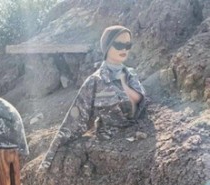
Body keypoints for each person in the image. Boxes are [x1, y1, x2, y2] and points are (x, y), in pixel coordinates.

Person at [40, 25, 148, 170]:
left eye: (128, 45)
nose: (124, 49)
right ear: (107, 47)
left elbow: (141, 102)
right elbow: (74, 120)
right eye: (119, 45)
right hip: (110, 151)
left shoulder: (131, 74)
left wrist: (124, 85)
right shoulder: (95, 81)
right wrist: (50, 158)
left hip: (139, 143)